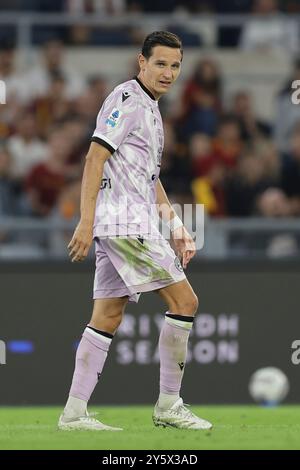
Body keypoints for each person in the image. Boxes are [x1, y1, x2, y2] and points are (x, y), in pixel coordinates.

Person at [58, 31, 212, 431]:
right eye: (160, 63)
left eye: (175, 65)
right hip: (125, 223)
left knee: (107, 315)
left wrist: (177, 225)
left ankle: (74, 413)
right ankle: (168, 405)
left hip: (123, 222)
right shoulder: (127, 100)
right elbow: (94, 157)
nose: (168, 72)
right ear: (141, 62)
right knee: (185, 302)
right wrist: (85, 221)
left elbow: (149, 178)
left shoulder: (151, 108)